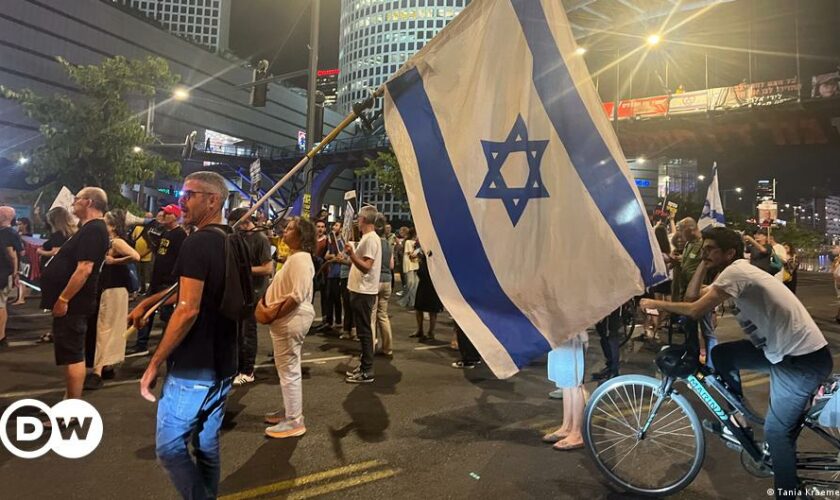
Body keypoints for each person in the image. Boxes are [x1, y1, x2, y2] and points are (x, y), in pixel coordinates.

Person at [640, 227, 832, 498]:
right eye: (703, 248)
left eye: (710, 249)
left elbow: (694, 309)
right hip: (781, 353)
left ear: (729, 253)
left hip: (800, 361)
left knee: (777, 434)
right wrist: (703, 265)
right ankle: (738, 419)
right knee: (722, 355)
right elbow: (692, 297)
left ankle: (788, 493)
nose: (704, 253)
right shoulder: (733, 272)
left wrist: (655, 303)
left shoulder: (737, 272)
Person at [132, 171, 236, 500]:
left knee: (170, 448)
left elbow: (188, 308)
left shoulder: (198, 241)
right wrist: (149, 301)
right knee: (206, 444)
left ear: (212, 200)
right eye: (183, 193)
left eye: (190, 194)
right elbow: (190, 287)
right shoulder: (233, 240)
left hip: (194, 365)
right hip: (224, 362)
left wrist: (155, 361)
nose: (182, 201)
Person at [39, 188, 109, 399]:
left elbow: (85, 268)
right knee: (70, 354)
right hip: (72, 304)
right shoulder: (87, 229)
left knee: (72, 356)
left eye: (77, 199)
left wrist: (63, 298)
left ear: (89, 202)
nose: (73, 203)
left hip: (74, 304)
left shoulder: (94, 229)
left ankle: (70, 410)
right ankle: (68, 401)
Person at [257, 217, 316, 438]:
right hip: (287, 319)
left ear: (301, 235)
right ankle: (291, 411)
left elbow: (297, 295)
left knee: (288, 370)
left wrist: (272, 313)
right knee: (289, 369)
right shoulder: (296, 257)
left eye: (290, 229)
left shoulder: (300, 258)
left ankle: (293, 420)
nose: (285, 231)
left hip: (290, 319)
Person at [85, 210, 140, 389]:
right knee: (104, 327)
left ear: (113, 226)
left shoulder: (115, 241)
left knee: (104, 328)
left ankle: (97, 372)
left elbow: (136, 256)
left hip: (113, 289)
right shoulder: (105, 241)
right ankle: (106, 366)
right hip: (109, 288)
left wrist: (113, 261)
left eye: (105, 222)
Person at [126, 204, 187, 357]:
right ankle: (142, 345)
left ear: (175, 216)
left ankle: (169, 346)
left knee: (167, 316)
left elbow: (180, 259)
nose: (163, 216)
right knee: (147, 311)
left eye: (167, 213)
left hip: (167, 282)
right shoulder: (166, 233)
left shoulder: (179, 235)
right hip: (157, 280)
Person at [228, 207, 273, 387]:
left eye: (236, 225)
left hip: (253, 294)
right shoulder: (238, 237)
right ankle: (238, 368)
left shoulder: (260, 239)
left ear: (245, 222)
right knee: (238, 333)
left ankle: (247, 370)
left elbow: (267, 268)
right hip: (239, 292)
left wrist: (243, 271)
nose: (234, 228)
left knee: (248, 333)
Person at [344, 206, 382, 383]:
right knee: (363, 331)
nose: (356, 221)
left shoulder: (371, 240)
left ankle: (367, 370)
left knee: (365, 332)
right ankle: (364, 365)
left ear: (364, 220)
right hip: (360, 290)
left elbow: (366, 267)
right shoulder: (367, 238)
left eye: (358, 218)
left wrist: (352, 255)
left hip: (363, 291)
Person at [542, 331, 589, 451]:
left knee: (575, 384)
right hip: (560, 334)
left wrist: (582, 332)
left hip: (574, 333)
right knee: (566, 382)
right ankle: (567, 427)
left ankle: (577, 433)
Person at [411, 238, 443, 343]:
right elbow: (414, 257)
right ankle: (420, 330)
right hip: (424, 283)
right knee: (419, 308)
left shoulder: (435, 253)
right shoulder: (424, 251)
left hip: (433, 284)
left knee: (432, 310)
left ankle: (431, 332)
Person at [0, 206, 23, 350]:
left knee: (0, 305)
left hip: (3, 274)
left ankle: (1, 337)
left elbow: (13, 255)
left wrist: (15, 273)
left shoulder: (8, 233)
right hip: (4, 272)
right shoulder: (7, 233)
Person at [371, 214, 394, 356]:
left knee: (372, 315)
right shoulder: (388, 244)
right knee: (383, 315)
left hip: (375, 281)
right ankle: (388, 347)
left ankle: (371, 346)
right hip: (387, 280)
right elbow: (391, 264)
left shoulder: (373, 242)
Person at [322, 221, 345, 334]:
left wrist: (334, 257)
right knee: (329, 297)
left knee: (337, 298)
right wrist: (332, 256)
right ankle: (329, 321)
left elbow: (342, 257)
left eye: (337, 225)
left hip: (338, 273)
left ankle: (339, 322)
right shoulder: (331, 241)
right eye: (334, 225)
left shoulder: (343, 242)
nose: (334, 227)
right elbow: (327, 255)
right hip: (331, 273)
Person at [592, 307, 621, 381]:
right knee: (604, 335)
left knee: (611, 336)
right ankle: (610, 366)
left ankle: (613, 369)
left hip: (611, 306)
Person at [12, 217, 32, 306]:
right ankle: (18, 297)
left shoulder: (28, 235)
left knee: (22, 279)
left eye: (20, 224)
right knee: (18, 277)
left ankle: (21, 298)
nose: (18, 226)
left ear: (25, 224)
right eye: (17, 224)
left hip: (25, 259)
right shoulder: (18, 234)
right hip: (19, 257)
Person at [398, 228, 419, 308]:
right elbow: (411, 254)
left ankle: (411, 301)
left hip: (415, 265)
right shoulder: (408, 242)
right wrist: (418, 250)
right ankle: (409, 301)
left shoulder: (415, 242)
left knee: (415, 283)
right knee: (410, 283)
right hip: (410, 265)